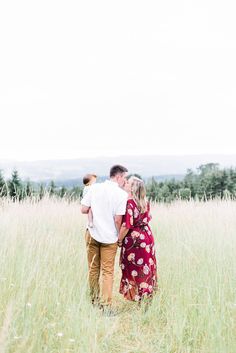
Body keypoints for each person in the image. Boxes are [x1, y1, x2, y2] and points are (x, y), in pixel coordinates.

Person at [81, 165, 128, 309]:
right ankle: (106, 305)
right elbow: (118, 220)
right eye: (124, 178)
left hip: (93, 234)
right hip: (110, 238)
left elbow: (83, 209)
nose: (125, 181)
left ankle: (94, 302)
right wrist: (119, 237)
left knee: (93, 269)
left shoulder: (94, 188)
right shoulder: (122, 195)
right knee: (107, 272)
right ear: (118, 177)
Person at [118, 176, 158, 302]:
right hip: (147, 237)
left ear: (133, 188)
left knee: (134, 268)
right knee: (146, 266)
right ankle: (146, 296)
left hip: (135, 240)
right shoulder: (145, 202)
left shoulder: (129, 203)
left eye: (128, 182)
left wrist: (119, 240)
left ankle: (140, 297)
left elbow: (126, 225)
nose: (126, 183)